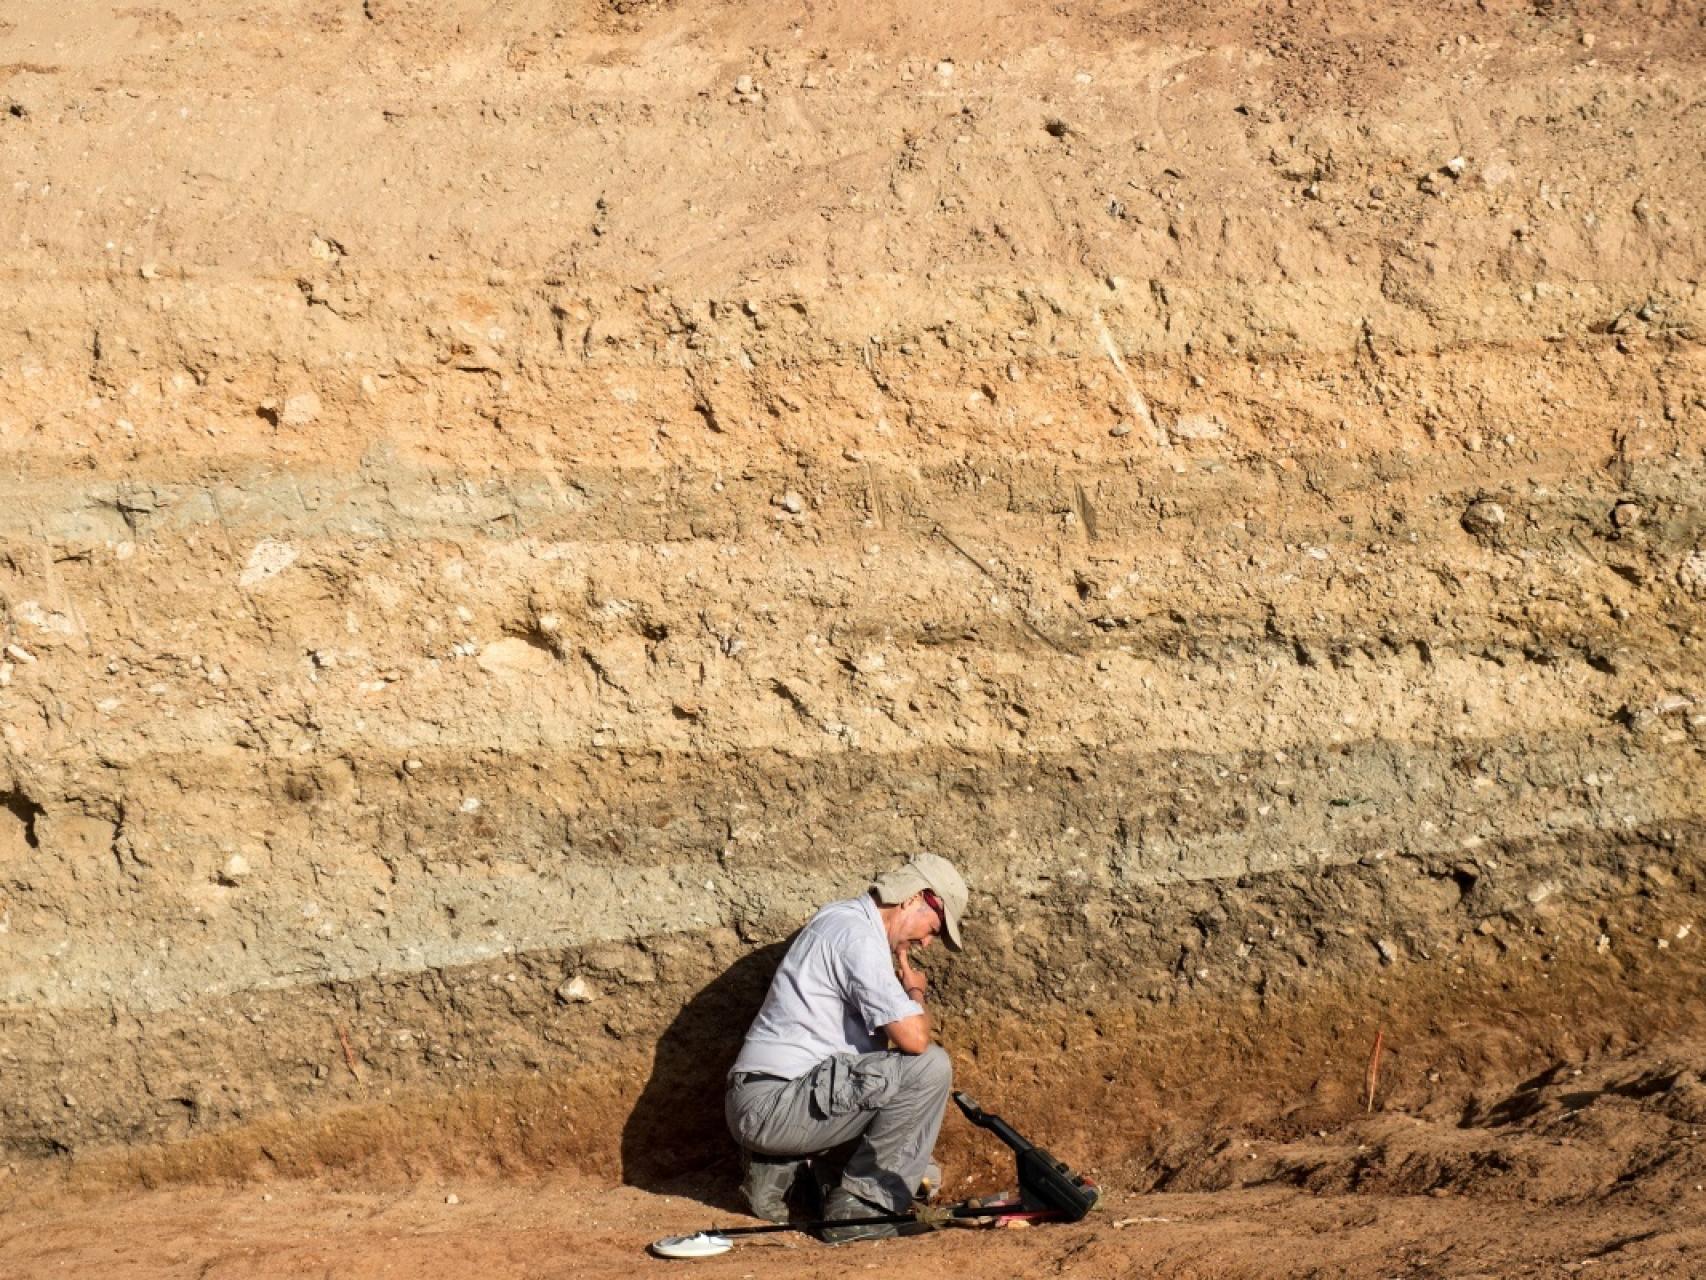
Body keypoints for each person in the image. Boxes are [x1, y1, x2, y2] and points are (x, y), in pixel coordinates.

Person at [724, 853, 969, 1243]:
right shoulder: (856, 936)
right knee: (931, 1067)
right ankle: (858, 1212)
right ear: (913, 898)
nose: (926, 942)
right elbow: (915, 1040)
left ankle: (787, 1168)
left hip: (775, 1099)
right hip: (773, 1104)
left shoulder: (841, 921)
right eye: (934, 929)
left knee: (922, 1172)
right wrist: (915, 992)